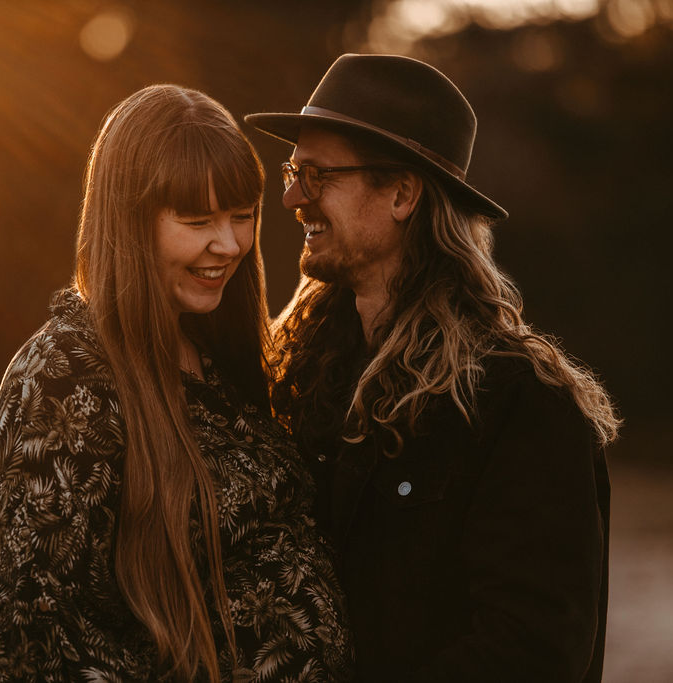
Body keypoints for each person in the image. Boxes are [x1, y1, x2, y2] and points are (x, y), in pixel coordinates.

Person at [246, 54, 621, 682]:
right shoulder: (295, 376)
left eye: (316, 175)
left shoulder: (518, 401)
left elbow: (531, 651)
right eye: (292, 171)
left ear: (401, 193)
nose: (290, 197)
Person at [0, 84, 353, 683]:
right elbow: (30, 642)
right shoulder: (64, 380)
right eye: (197, 220)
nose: (227, 245)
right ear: (128, 221)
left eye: (241, 216)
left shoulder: (219, 354)